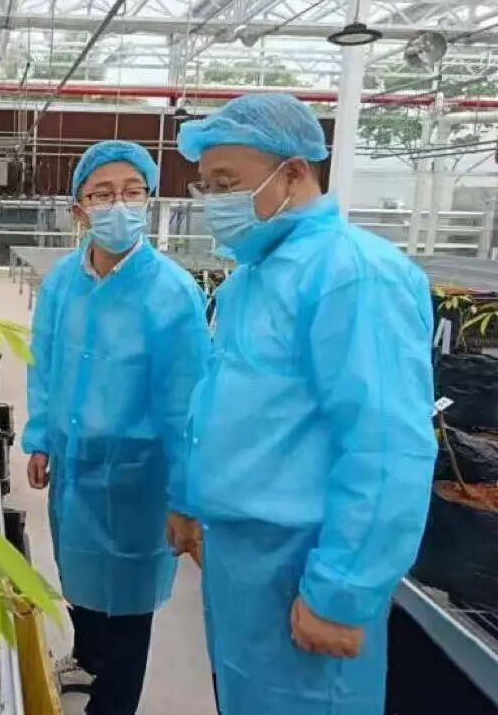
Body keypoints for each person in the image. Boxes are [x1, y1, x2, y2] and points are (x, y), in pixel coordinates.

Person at [167, 93, 437, 715]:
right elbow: (222, 405)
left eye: (228, 183)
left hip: (303, 561)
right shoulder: (253, 277)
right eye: (207, 186)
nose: (215, 201)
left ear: (293, 172)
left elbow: (384, 445)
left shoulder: (353, 274)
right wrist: (190, 498)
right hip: (243, 558)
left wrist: (341, 589)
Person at [23, 140, 210, 715]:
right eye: (102, 194)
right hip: (75, 466)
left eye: (132, 192)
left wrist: (185, 496)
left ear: (150, 201)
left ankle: (114, 700)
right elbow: (43, 364)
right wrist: (39, 436)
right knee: (78, 574)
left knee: (128, 605)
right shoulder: (62, 282)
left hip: (139, 479)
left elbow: (188, 406)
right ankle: (86, 658)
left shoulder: (172, 291)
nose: (118, 205)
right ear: (78, 208)